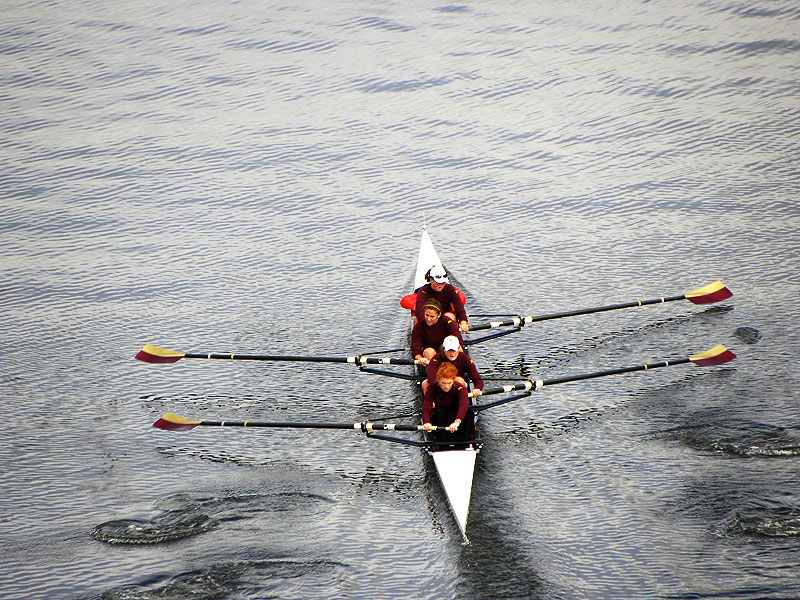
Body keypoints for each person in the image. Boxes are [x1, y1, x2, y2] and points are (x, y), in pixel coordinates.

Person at [414, 265, 469, 334]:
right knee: (416, 320)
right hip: (430, 319)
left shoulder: (450, 289)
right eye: (438, 282)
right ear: (431, 280)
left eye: (443, 282)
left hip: (445, 320)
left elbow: (459, 308)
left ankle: (450, 338)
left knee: (450, 316)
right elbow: (420, 311)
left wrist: (463, 322)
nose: (441, 285)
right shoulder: (423, 292)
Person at [421, 362, 469, 437]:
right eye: (443, 383)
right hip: (440, 417)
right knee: (440, 412)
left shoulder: (460, 388)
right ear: (438, 380)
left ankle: (466, 439)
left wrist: (457, 422)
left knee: (469, 412)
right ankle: (440, 440)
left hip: (457, 417)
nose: (446, 386)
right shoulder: (432, 388)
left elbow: (464, 405)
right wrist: (426, 422)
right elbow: (426, 407)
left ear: (453, 380)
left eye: (449, 383)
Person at [411, 298, 462, 366]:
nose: (429, 319)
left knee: (458, 347)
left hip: (446, 349)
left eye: (432, 316)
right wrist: (420, 358)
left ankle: (457, 368)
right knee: (429, 351)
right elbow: (415, 349)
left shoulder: (447, 322)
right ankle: (435, 373)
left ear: (439, 315)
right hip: (430, 354)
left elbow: (458, 338)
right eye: (427, 315)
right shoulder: (419, 327)